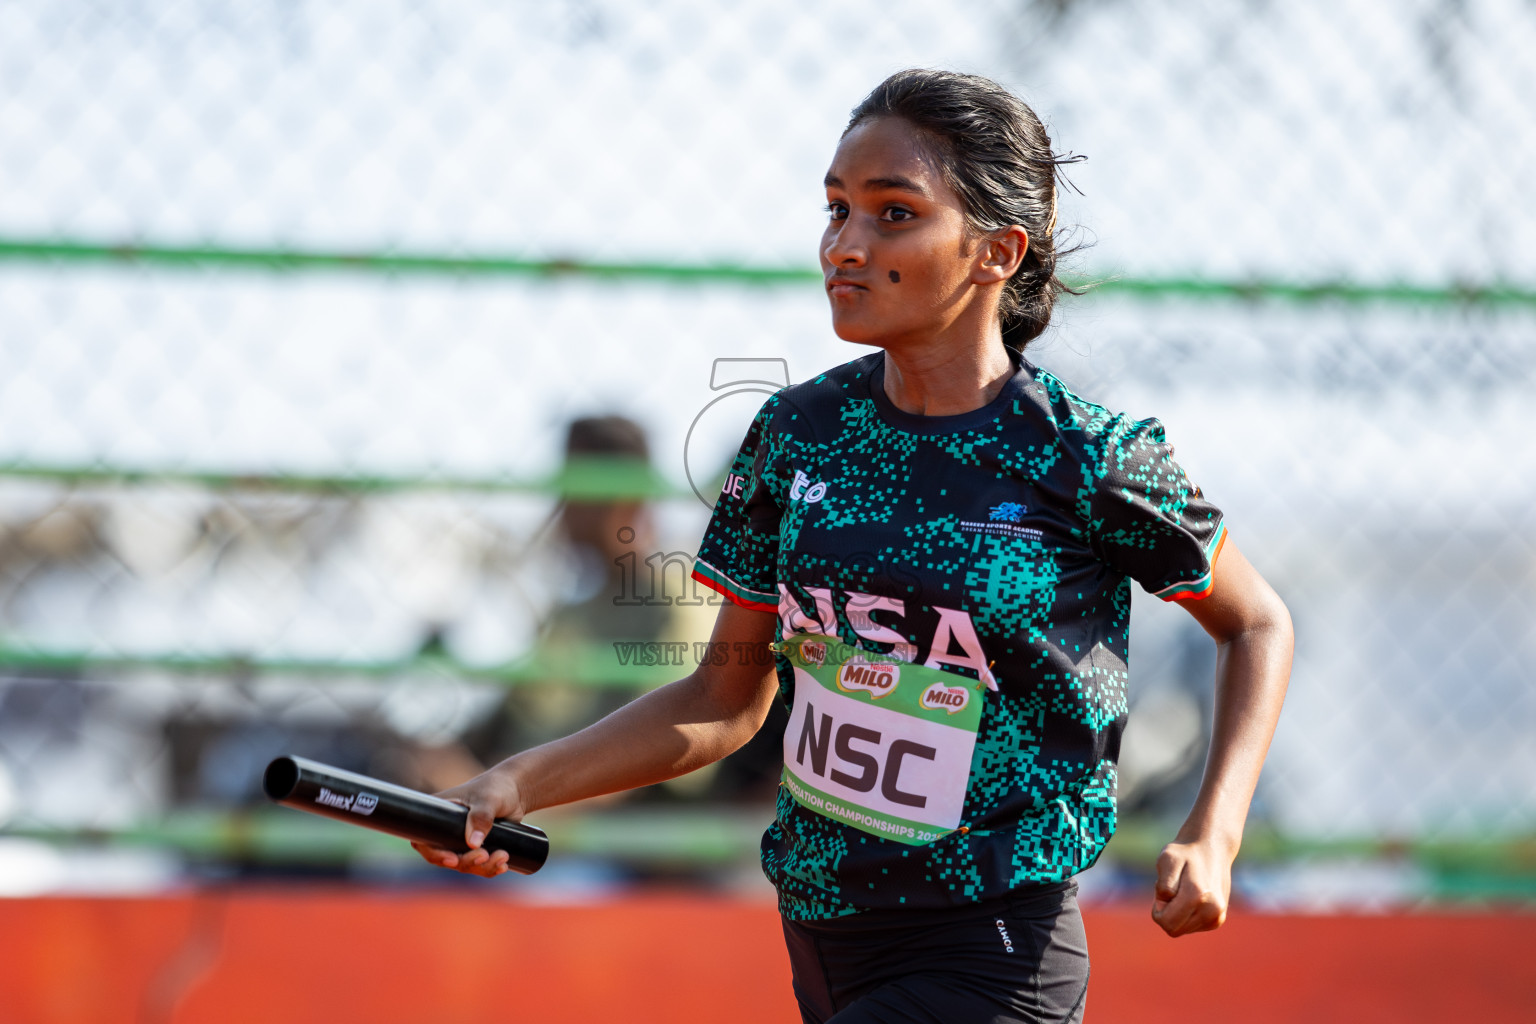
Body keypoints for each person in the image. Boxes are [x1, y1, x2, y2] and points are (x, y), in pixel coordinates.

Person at [413, 69, 1293, 1024]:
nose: (847, 244)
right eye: (836, 209)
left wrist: (1216, 831)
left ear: (997, 250)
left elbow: (1256, 623)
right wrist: (517, 782)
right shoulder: (798, 436)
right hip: (823, 936)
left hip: (992, 946)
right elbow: (722, 702)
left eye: (893, 213)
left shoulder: (1088, 456)